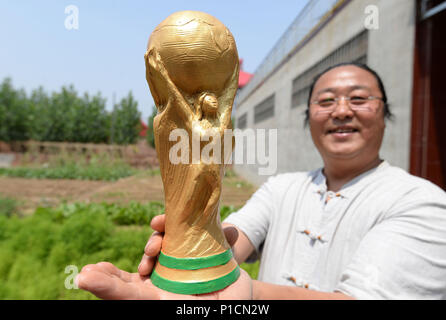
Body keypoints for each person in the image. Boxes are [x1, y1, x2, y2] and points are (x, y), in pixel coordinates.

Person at [76, 63, 446, 300]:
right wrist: (194, 246)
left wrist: (246, 293)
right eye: (327, 100)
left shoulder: (421, 202)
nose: (342, 110)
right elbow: (236, 234)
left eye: (360, 99)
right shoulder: (282, 187)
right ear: (309, 117)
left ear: (385, 111)